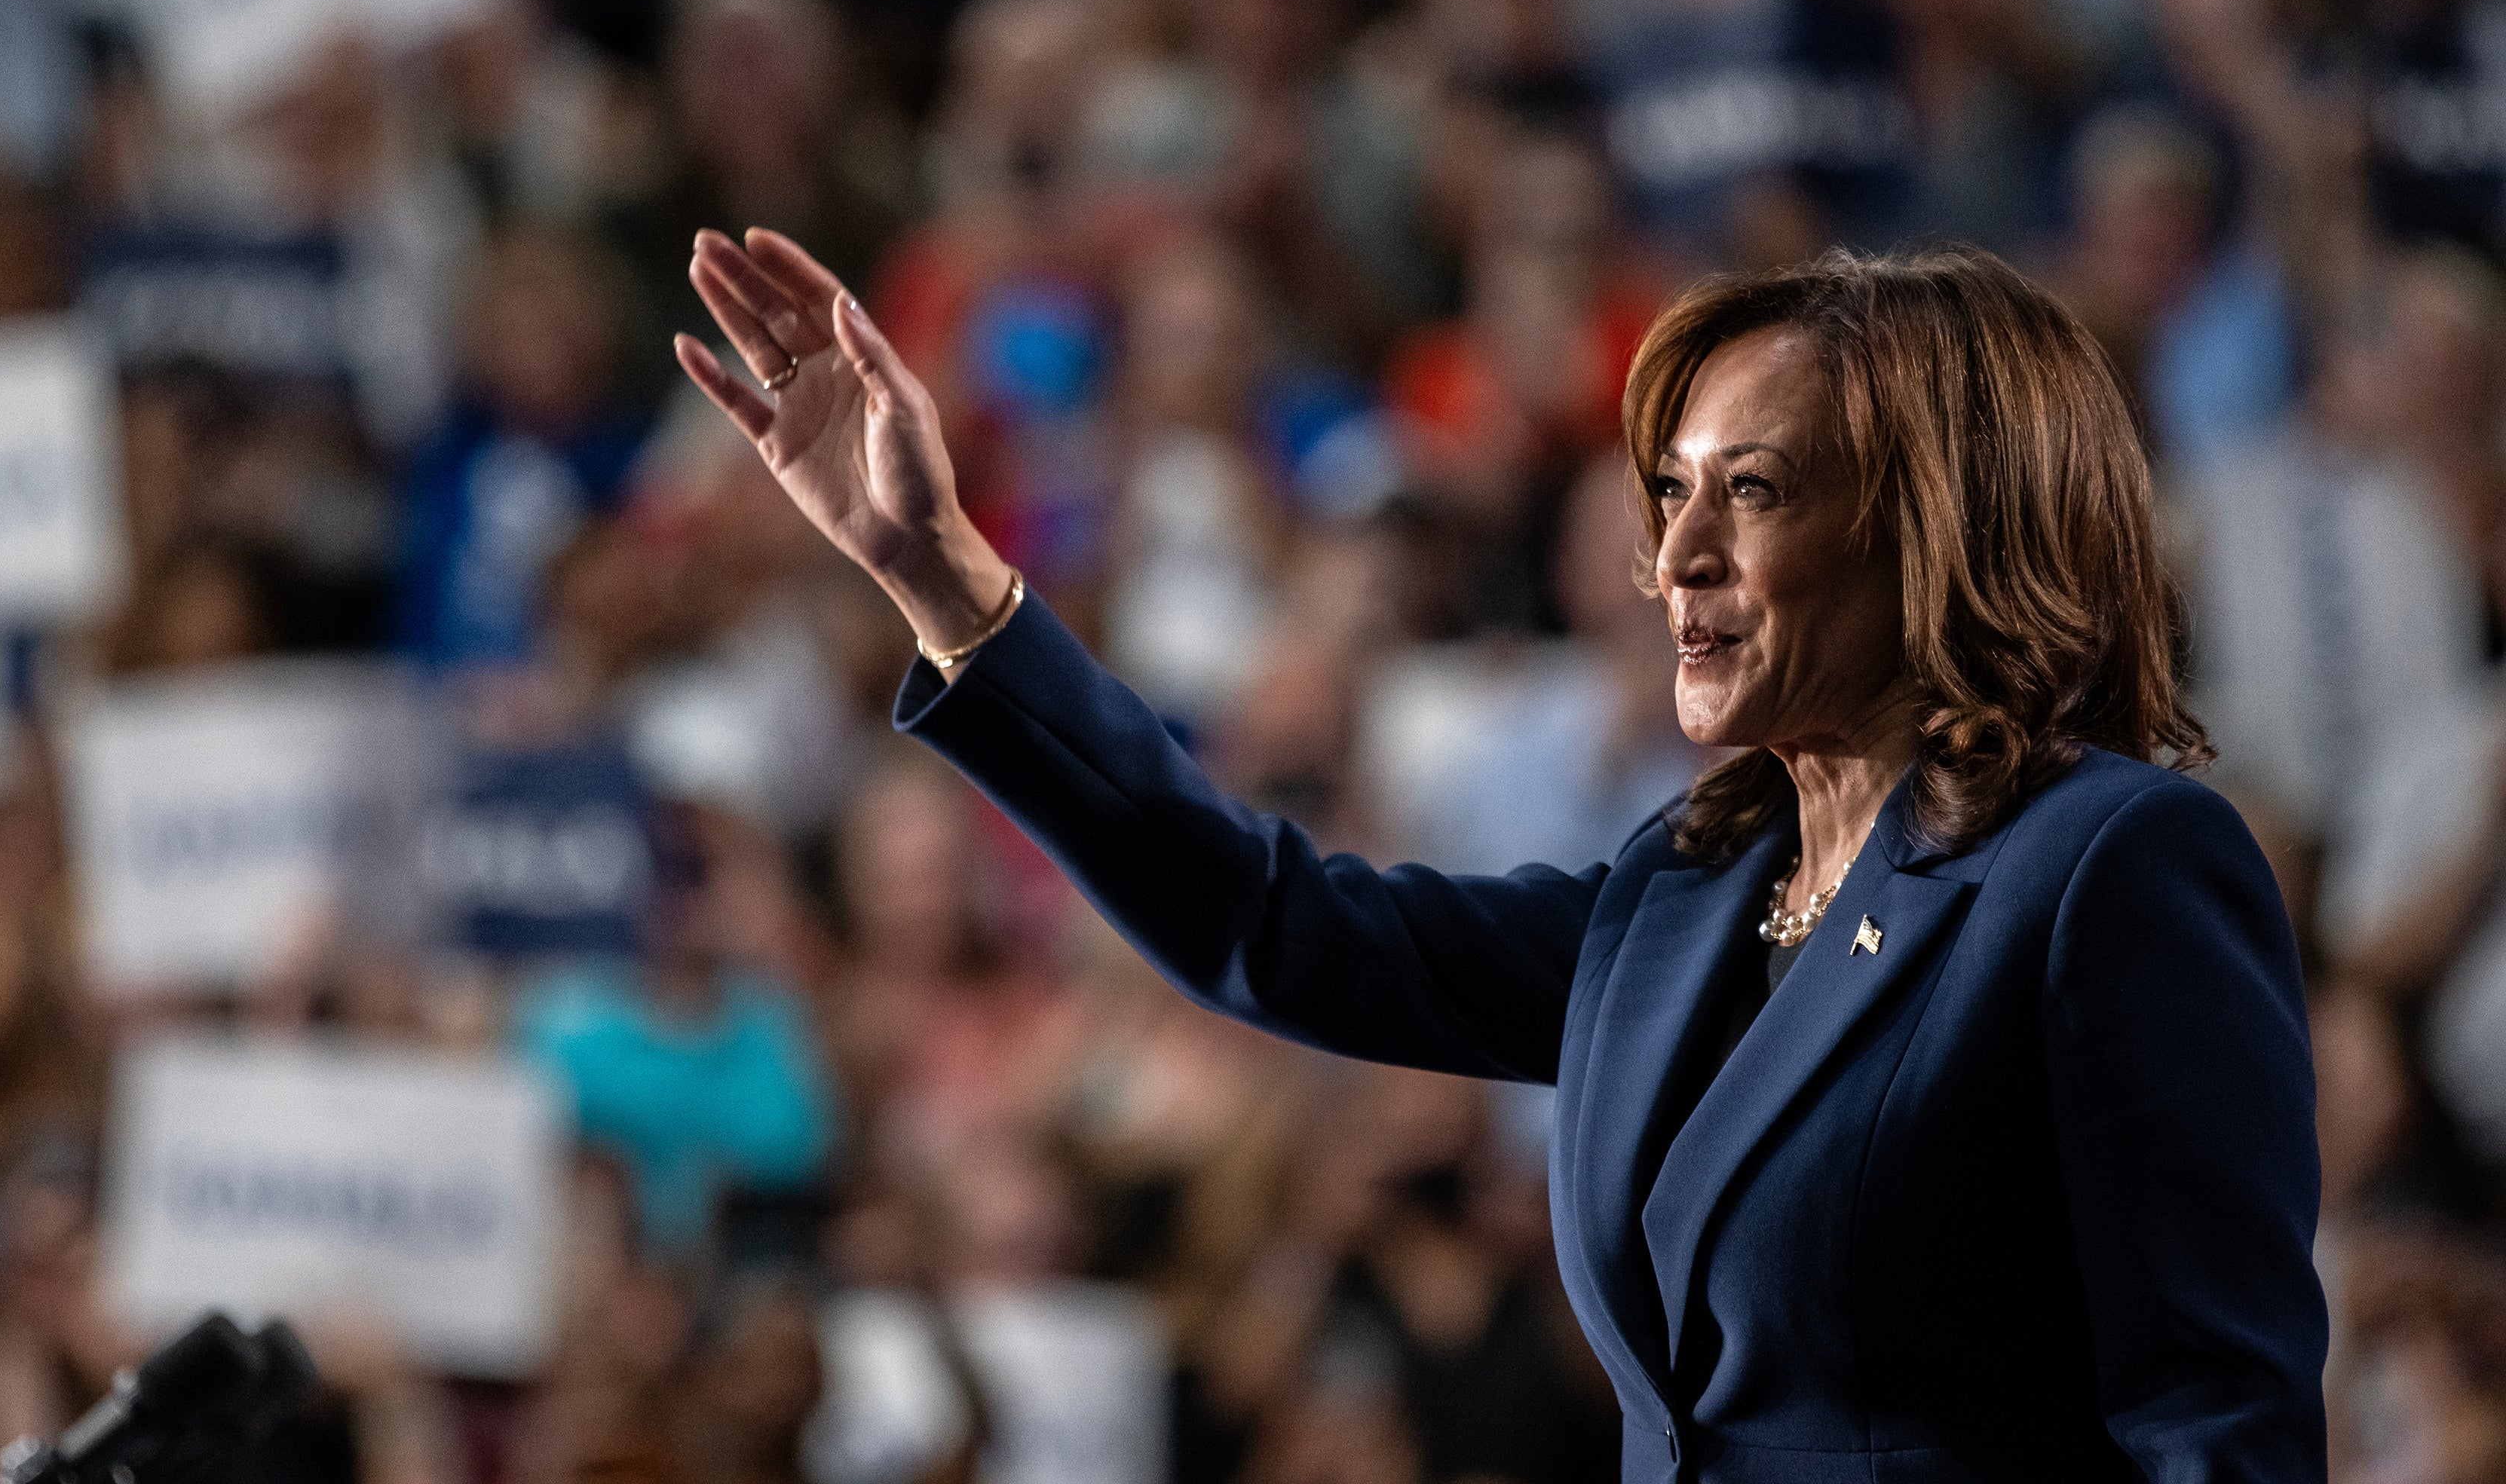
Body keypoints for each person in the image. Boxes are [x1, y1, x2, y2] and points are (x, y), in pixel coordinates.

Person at [669, 228, 2326, 1481]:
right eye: (1667, 492)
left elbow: (2218, 1428)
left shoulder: (2109, 870)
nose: (1673, 555)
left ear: (1939, 523)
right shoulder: (1679, 902)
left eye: (1750, 491)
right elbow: (1274, 925)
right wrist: (942, 574)